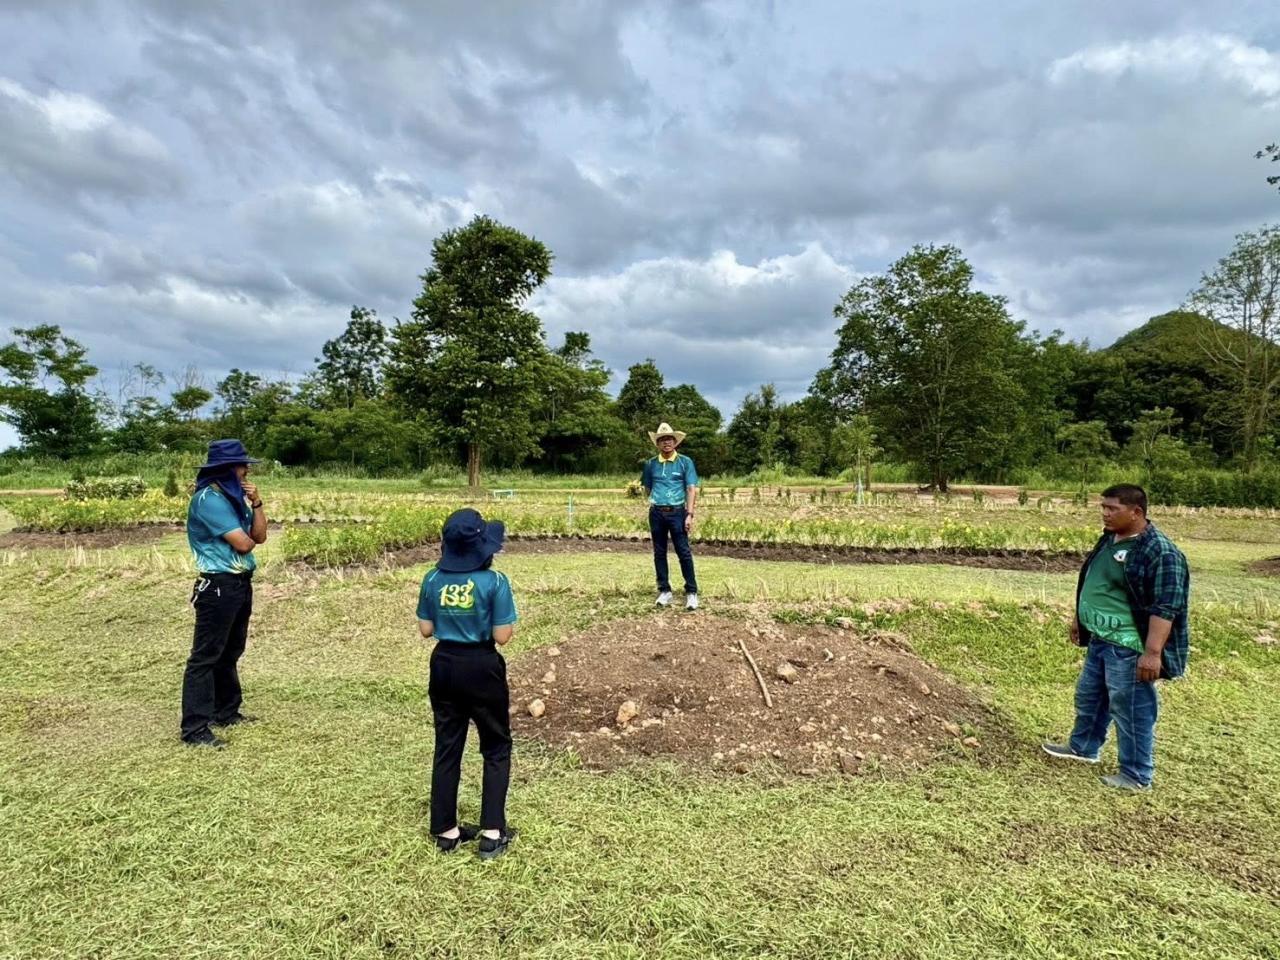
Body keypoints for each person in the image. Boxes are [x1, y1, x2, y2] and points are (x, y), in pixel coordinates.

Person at [1043, 484, 1190, 791]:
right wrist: (1080, 619)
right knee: (1090, 697)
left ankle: (1136, 774)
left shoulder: (1160, 552)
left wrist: (1152, 653)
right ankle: (1083, 747)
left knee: (1131, 706)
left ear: (1136, 512)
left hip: (1129, 645)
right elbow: (1096, 581)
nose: (1105, 514)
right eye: (1103, 507)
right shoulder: (1110, 538)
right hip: (1100, 638)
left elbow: (1167, 605)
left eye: (1113, 509)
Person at [417, 508, 520, 859]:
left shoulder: (431, 579)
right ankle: (492, 832)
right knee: (495, 745)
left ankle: (446, 830)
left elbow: (426, 629)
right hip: (481, 666)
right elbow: (503, 636)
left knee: (448, 745)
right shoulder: (495, 582)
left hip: (444, 665)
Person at [180, 439, 268, 748]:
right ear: (229, 469)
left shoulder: (233, 499)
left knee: (231, 650)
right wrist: (249, 532)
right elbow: (244, 544)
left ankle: (226, 710)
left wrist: (257, 503)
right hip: (218, 585)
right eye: (243, 466)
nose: (247, 472)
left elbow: (260, 535)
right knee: (205, 657)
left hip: (239, 583)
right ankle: (195, 728)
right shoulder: (209, 500)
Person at [641, 422, 700, 610]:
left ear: (675, 442)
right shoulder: (651, 464)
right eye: (662, 440)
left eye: (669, 439)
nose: (666, 442)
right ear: (657, 444)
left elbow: (691, 488)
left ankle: (691, 592)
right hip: (657, 512)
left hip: (677, 512)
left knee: (683, 552)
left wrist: (689, 514)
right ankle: (664, 591)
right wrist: (655, 501)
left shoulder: (685, 462)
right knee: (659, 553)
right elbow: (647, 487)